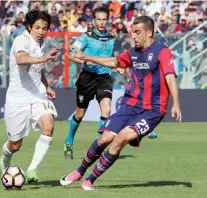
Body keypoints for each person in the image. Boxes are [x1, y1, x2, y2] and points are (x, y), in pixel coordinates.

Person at [60, 16, 182, 191]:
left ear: (149, 33)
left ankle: (90, 180)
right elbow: (115, 62)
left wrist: (176, 103)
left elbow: (170, 78)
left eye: (137, 32)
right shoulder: (133, 52)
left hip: (153, 110)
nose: (133, 36)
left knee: (121, 139)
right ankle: (79, 171)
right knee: (105, 139)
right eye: (133, 32)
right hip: (130, 104)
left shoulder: (162, 51)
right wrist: (87, 57)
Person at [0, 9, 59, 184]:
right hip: (17, 99)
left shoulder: (40, 44)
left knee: (48, 124)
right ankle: (4, 161)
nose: (41, 31)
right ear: (30, 27)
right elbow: (21, 60)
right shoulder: (21, 40)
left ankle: (32, 168)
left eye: (44, 28)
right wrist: (44, 59)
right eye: (38, 27)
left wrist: (47, 86)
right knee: (15, 145)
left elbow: (36, 70)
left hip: (37, 95)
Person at [64, 7, 119, 160]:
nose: (101, 22)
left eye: (104, 19)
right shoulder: (85, 37)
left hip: (104, 78)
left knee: (106, 111)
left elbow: (112, 57)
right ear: (94, 20)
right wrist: (84, 59)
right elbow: (71, 55)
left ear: (107, 20)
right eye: (99, 19)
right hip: (87, 78)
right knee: (80, 114)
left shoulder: (112, 38)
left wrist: (118, 66)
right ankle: (69, 141)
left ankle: (98, 147)